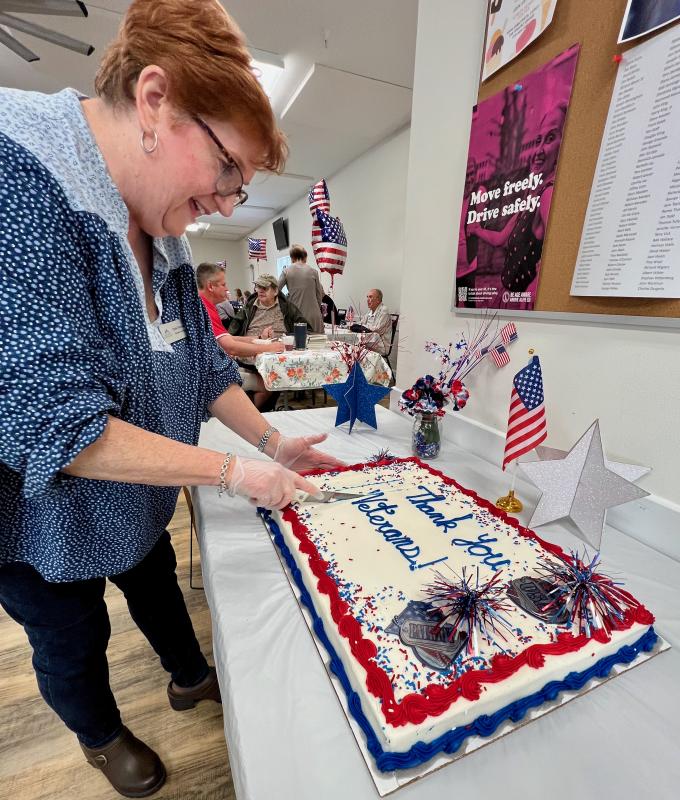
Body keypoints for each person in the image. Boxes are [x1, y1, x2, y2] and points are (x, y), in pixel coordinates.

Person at [0, 2, 343, 798]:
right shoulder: (21, 169)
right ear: (155, 100)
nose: (229, 202)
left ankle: (187, 675)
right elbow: (61, 427)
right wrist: (231, 473)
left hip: (140, 495)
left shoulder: (169, 229)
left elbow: (199, 370)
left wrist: (272, 443)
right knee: (69, 634)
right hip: (41, 518)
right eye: (228, 170)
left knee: (156, 588)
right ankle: (97, 733)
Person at [468, 105, 566, 306]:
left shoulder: (548, 194)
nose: (538, 151)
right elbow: (500, 239)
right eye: (538, 140)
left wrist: (535, 287)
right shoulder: (532, 199)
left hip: (521, 301)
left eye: (550, 139)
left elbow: (560, 252)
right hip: (508, 297)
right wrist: (476, 230)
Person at [196, 262, 285, 406]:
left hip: (211, 368)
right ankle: (252, 420)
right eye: (224, 284)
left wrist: (258, 339)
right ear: (210, 286)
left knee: (265, 377)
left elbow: (229, 338)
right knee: (269, 382)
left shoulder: (204, 305)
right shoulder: (204, 308)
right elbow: (231, 347)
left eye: (265, 288)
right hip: (209, 375)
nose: (227, 289)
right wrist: (268, 348)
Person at [229, 274, 309, 410]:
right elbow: (232, 331)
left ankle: (255, 414)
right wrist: (260, 340)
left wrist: (286, 338)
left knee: (276, 375)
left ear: (275, 291)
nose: (260, 290)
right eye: (258, 286)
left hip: (278, 353)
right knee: (272, 378)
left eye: (264, 287)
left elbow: (304, 328)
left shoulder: (287, 307)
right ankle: (254, 414)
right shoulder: (249, 307)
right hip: (252, 352)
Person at [278, 244, 324, 333]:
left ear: (292, 257)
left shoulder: (286, 271)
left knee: (299, 344)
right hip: (314, 315)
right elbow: (319, 295)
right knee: (318, 344)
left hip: (296, 314)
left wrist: (286, 303)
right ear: (305, 256)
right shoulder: (314, 272)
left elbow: (275, 291)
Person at [351, 288, 392, 355]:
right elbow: (361, 323)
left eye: (370, 297)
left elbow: (378, 329)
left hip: (380, 345)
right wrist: (351, 324)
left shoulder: (384, 310)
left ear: (378, 300)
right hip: (369, 341)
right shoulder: (370, 311)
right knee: (351, 346)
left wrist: (363, 327)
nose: (367, 300)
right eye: (367, 297)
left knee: (354, 346)